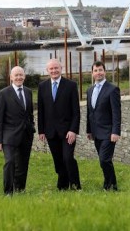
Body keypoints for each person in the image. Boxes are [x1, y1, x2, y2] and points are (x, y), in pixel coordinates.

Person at [38, 58, 81, 190]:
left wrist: (73, 130)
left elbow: (76, 111)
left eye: (56, 68)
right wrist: (41, 131)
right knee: (58, 160)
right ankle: (62, 186)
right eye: (51, 68)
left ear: (61, 68)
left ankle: (75, 186)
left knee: (68, 158)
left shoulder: (71, 85)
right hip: (50, 131)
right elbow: (41, 110)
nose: (54, 70)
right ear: (47, 70)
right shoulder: (42, 86)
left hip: (68, 132)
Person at [0, 66, 35, 195]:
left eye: (21, 75)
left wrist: (31, 126)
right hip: (9, 136)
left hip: (26, 135)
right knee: (10, 162)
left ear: (24, 77)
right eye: (16, 75)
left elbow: (29, 113)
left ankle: (20, 189)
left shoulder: (28, 92)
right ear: (11, 77)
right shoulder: (3, 94)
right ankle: (8, 192)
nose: (19, 77)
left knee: (23, 164)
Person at [86, 61, 121, 191]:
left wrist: (116, 132)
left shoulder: (112, 89)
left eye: (100, 70)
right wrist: (89, 130)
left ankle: (112, 186)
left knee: (104, 160)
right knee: (104, 160)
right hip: (96, 133)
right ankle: (108, 184)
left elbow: (117, 113)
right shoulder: (89, 90)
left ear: (105, 72)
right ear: (92, 73)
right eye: (96, 70)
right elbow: (90, 112)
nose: (98, 73)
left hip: (108, 132)